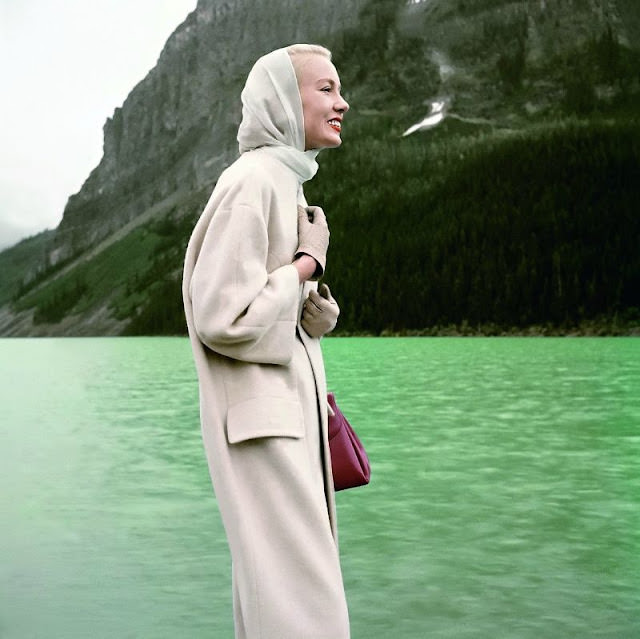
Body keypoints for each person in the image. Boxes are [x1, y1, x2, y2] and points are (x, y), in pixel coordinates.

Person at [182, 44, 351, 639]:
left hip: (281, 422)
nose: (342, 102)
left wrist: (311, 308)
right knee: (301, 605)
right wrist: (306, 265)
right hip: (266, 429)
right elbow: (223, 316)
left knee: (287, 598)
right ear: (283, 100)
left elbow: (259, 303)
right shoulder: (254, 182)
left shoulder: (281, 179)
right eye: (325, 89)